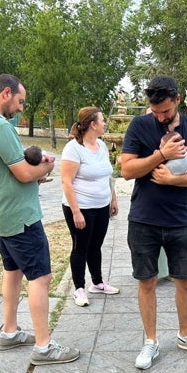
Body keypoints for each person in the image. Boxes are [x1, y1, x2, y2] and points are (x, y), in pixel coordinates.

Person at [0, 73, 80, 366]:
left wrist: (33, 176)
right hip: (20, 217)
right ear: (6, 93)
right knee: (40, 278)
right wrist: (45, 169)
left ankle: (10, 332)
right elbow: (24, 173)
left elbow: (2, 171)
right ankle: (44, 348)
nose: (20, 108)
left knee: (12, 271)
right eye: (19, 101)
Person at [120, 74, 187, 370]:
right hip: (144, 218)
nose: (161, 117)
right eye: (156, 112)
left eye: (167, 112)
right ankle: (150, 341)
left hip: (179, 220)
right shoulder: (139, 125)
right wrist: (161, 154)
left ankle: (185, 333)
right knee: (147, 281)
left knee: (185, 280)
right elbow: (127, 170)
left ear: (178, 101)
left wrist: (173, 180)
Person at [61, 107, 120, 308]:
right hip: (80, 207)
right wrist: (76, 211)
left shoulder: (102, 145)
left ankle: (97, 282)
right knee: (81, 248)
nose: (105, 124)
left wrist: (113, 199)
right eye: (102, 120)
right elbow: (66, 182)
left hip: (101, 205)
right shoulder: (74, 148)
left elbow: (107, 175)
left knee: (96, 246)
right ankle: (79, 288)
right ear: (93, 124)